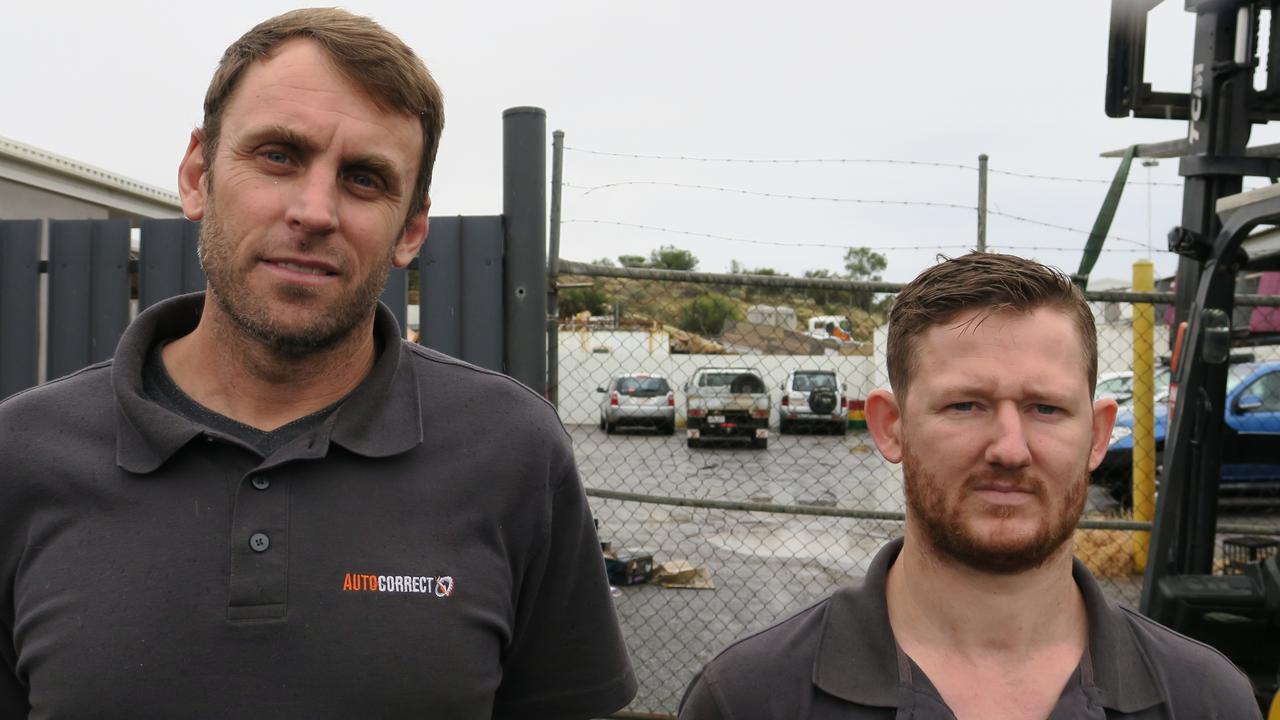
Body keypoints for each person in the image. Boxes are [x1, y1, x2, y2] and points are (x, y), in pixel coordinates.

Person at [0, 9, 635, 719]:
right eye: (278, 155)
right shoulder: (18, 457)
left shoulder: (514, 451)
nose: (314, 210)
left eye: (364, 179)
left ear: (411, 230)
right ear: (197, 176)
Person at [680, 253, 1261, 719]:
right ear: (891, 426)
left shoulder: (1205, 701)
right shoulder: (748, 699)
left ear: (1098, 434)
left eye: (1047, 409)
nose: (1010, 448)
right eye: (965, 404)